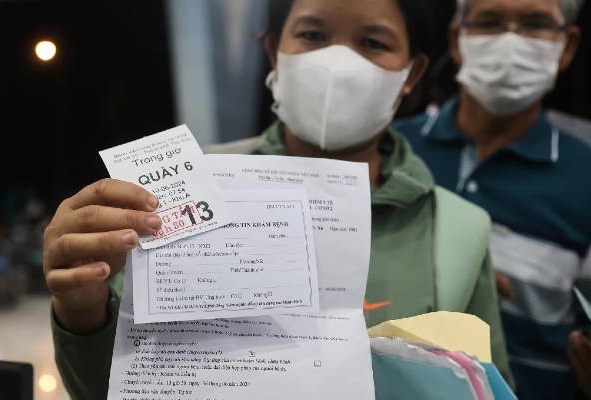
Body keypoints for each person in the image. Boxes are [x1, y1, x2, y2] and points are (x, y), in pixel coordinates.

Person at [44, 1, 512, 398]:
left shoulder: (459, 229)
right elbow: (110, 387)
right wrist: (82, 309)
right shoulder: (184, 188)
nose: (337, 62)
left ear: (412, 73)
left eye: (373, 42)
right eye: (313, 35)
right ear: (274, 52)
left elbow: (485, 386)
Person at [394, 0, 590, 398]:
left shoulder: (585, 175)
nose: (510, 40)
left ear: (567, 46)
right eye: (490, 21)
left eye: (535, 23)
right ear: (456, 38)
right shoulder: (390, 151)